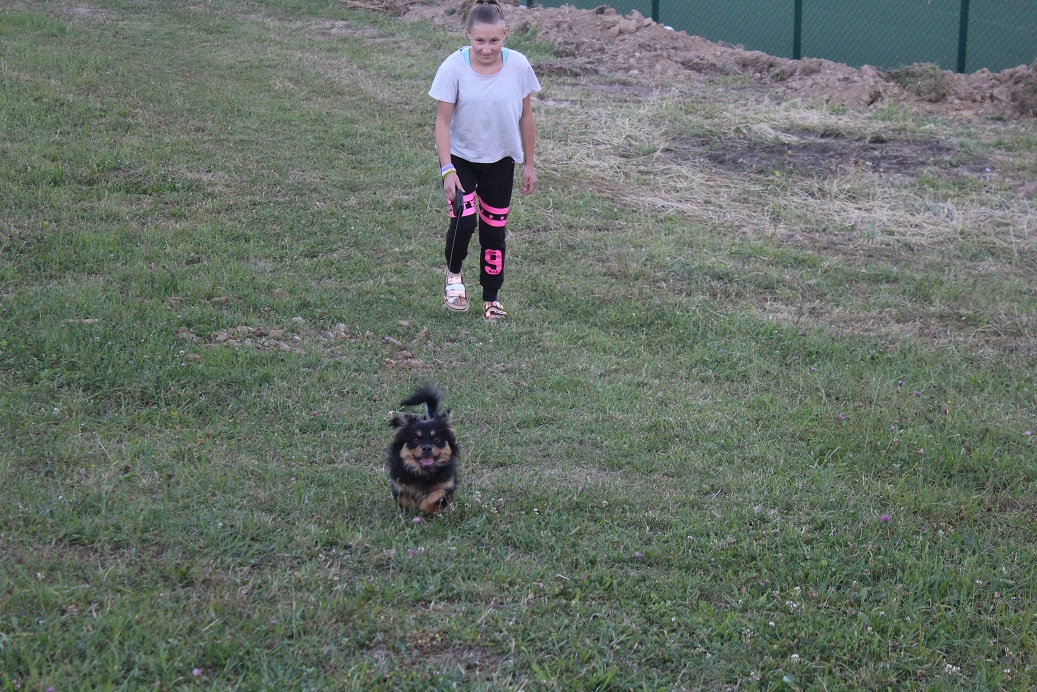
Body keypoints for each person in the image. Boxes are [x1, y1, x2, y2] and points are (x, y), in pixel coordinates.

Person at [428, 0, 541, 322]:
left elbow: (526, 116)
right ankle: (453, 277)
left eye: (494, 40)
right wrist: (447, 169)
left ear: (505, 34)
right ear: (468, 35)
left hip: (501, 162)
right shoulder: (453, 67)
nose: (487, 48)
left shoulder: (519, 65)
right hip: (461, 160)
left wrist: (529, 163)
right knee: (464, 222)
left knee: (494, 232)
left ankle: (492, 298)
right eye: (479, 40)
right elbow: (442, 123)